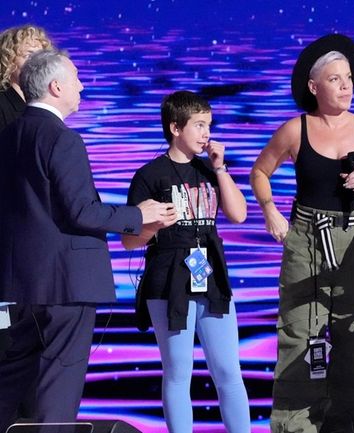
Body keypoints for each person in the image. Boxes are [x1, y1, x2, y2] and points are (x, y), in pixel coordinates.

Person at [0, 49, 177, 431]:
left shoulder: (9, 134)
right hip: (66, 281)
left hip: (22, 282)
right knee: (60, 380)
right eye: (76, 77)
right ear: (55, 85)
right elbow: (80, 211)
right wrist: (139, 215)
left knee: (14, 375)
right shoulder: (62, 139)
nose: (82, 85)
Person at [250, 34, 354, 433]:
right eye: (335, 79)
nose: (346, 85)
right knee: (301, 334)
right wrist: (269, 211)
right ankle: (297, 426)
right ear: (314, 87)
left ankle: (352, 424)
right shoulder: (295, 129)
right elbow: (259, 171)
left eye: (349, 77)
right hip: (307, 239)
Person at [121, 90, 250, 433]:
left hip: (211, 275)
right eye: (199, 125)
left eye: (209, 124)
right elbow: (129, 241)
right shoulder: (150, 175)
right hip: (168, 278)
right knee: (179, 371)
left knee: (227, 369)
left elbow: (238, 215)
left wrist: (220, 168)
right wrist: (152, 224)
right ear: (175, 127)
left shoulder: (209, 171)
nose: (206, 133)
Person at [0, 24, 53, 359]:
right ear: (8, 60)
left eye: (41, 54)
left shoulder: (41, 113)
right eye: (28, 53)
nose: (36, 61)